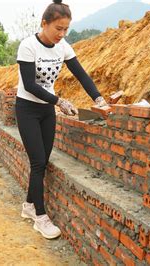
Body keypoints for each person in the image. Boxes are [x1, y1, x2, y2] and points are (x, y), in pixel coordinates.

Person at [15, 0, 108, 239]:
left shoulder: (62, 46)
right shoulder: (28, 46)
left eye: (66, 29)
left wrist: (99, 99)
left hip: (47, 112)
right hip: (27, 109)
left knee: (43, 162)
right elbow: (30, 85)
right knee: (37, 163)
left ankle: (28, 206)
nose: (62, 34)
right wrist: (60, 102)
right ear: (44, 23)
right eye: (58, 28)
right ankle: (40, 217)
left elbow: (81, 74)